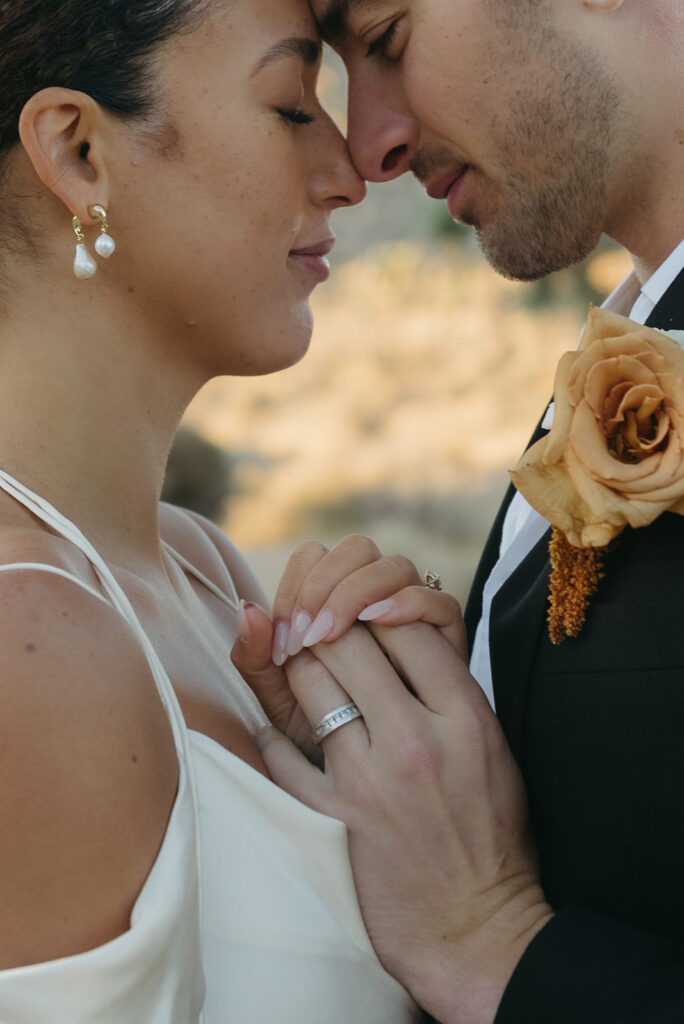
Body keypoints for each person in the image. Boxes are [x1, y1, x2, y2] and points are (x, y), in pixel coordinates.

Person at [0, 1, 470, 1020]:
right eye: (292, 105)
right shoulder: (25, 634)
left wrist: (398, 781)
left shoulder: (199, 567)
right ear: (80, 153)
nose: (350, 170)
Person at [239, 0, 684, 1021]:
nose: (371, 145)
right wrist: (452, 708)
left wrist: (496, 948)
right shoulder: (625, 342)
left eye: (388, 41)